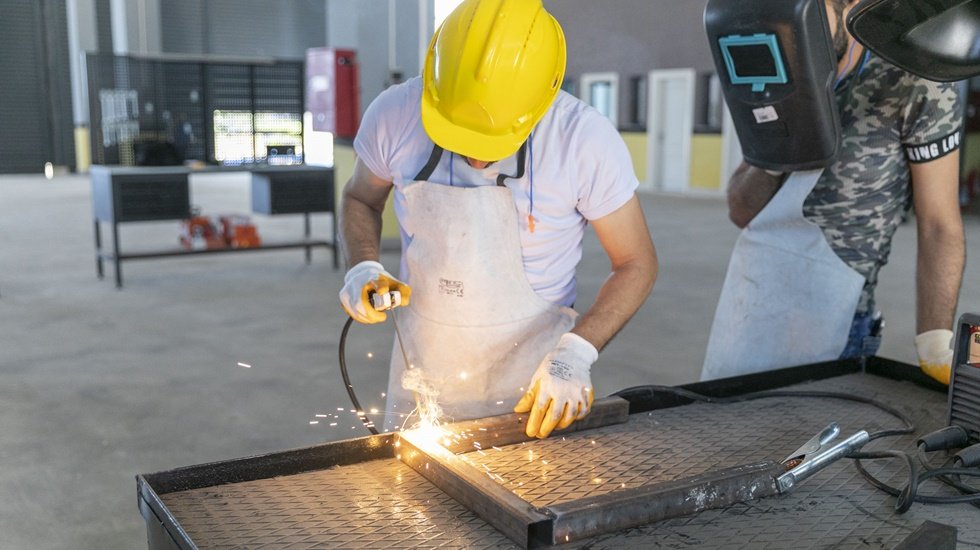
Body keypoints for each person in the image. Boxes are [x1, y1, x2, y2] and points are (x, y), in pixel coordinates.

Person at [338, 0, 657, 438]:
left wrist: (576, 354)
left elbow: (636, 263)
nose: (475, 159)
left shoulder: (583, 139)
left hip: (535, 387)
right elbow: (360, 198)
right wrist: (363, 265)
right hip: (422, 372)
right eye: (458, 135)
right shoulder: (395, 114)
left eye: (492, 143)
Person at [715, 0, 965, 383]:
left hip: (840, 321)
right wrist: (776, 141)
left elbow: (938, 226)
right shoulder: (782, 70)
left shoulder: (913, 81)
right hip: (753, 304)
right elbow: (740, 210)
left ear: (853, 6)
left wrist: (934, 340)